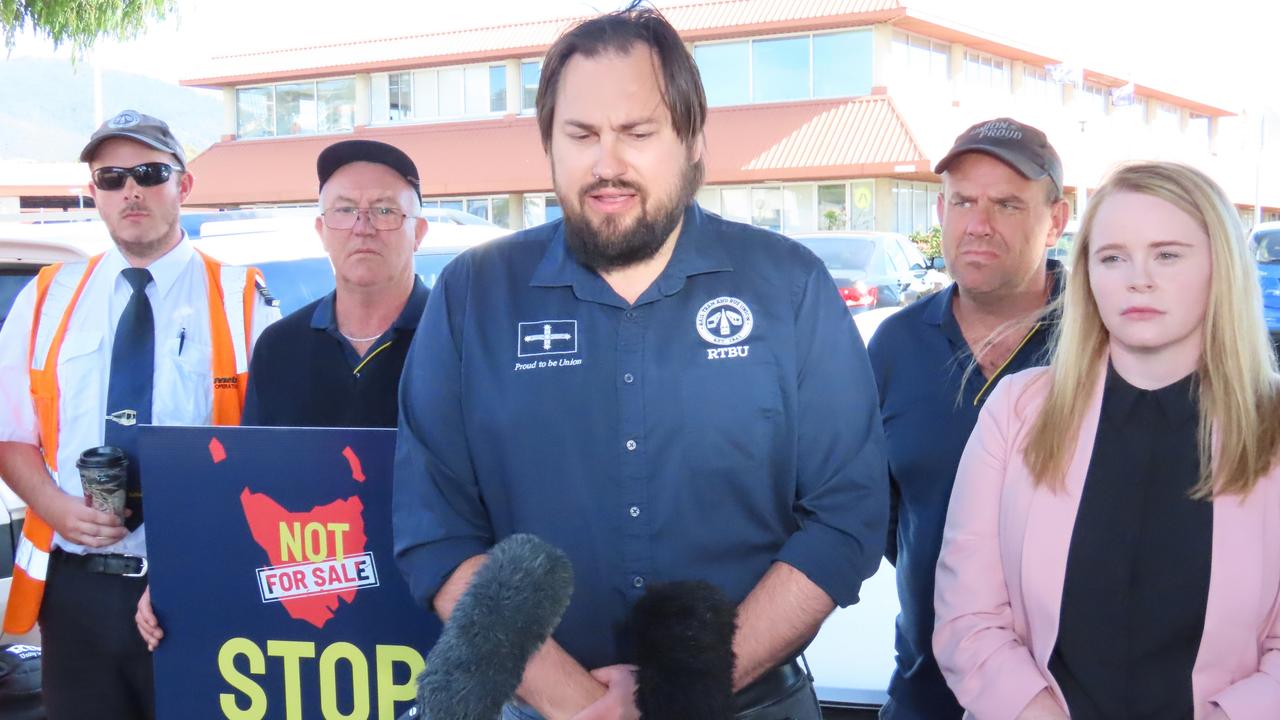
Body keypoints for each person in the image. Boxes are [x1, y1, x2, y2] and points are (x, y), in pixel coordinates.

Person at [392, 5, 887, 720]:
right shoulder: (473, 296)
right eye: (581, 135)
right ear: (550, 146)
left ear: (691, 141)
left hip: (747, 702)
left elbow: (847, 516)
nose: (606, 164)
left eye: (637, 133)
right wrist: (576, 701)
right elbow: (436, 529)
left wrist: (684, 692)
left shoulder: (788, 286)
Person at [933, 161, 1280, 719]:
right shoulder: (1016, 410)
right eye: (1112, 257)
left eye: (1167, 254)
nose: (1137, 278)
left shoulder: (1272, 425)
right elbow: (968, 619)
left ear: (1222, 268)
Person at [0, 110, 279, 720]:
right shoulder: (47, 296)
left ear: (183, 186)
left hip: (196, 582)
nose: (131, 189)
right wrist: (53, 507)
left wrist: (196, 561)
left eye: (150, 172)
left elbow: (267, 460)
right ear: (94, 193)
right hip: (74, 588)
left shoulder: (241, 300)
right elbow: (10, 436)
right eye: (111, 177)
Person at [133, 138, 430, 650]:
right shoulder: (279, 346)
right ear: (321, 229)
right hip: (309, 618)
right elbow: (249, 489)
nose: (362, 225)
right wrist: (180, 577)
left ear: (418, 231)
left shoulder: (459, 339)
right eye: (344, 211)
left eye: (384, 210)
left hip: (428, 612)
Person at [865, 117, 1069, 719]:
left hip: (1071, 702)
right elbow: (885, 515)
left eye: (1007, 204)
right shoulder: (896, 345)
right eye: (963, 202)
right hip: (925, 695)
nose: (979, 224)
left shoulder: (1103, 339)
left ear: (1055, 220)